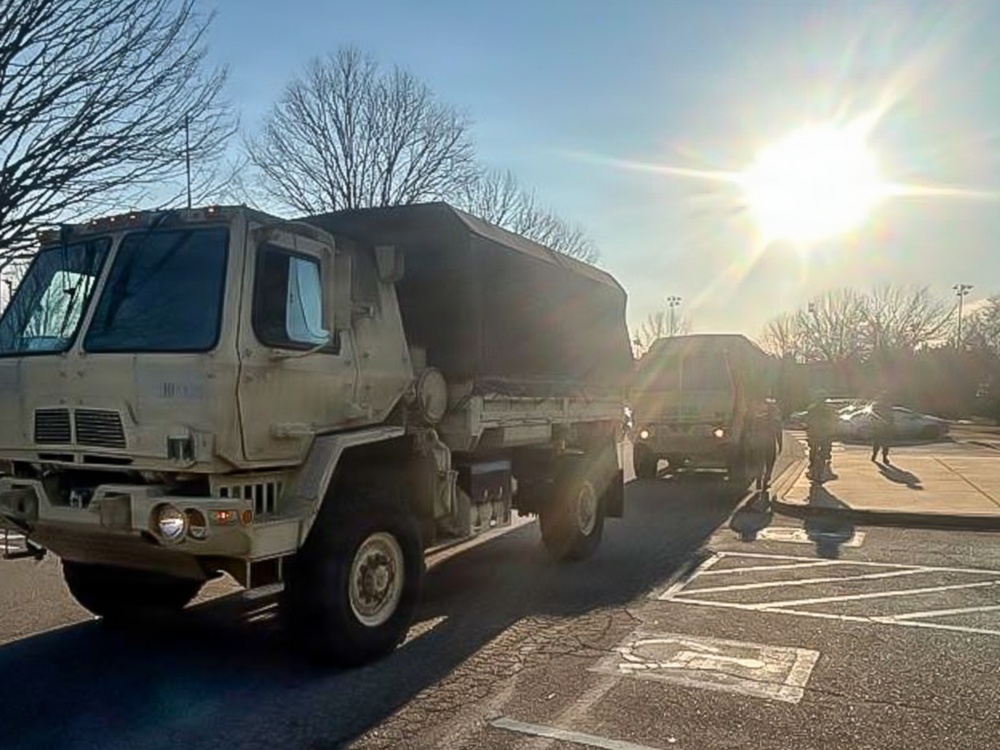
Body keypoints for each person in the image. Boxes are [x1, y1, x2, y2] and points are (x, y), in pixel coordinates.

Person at [804, 395, 835, 480]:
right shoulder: (827, 410)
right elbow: (832, 422)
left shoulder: (812, 409)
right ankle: (816, 464)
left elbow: (807, 421)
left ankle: (814, 464)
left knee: (815, 450)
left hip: (817, 434)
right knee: (820, 451)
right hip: (821, 434)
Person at [870, 397, 896, 464]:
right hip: (883, 429)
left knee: (879, 443)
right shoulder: (884, 409)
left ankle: (876, 456)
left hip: (881, 429)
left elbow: (872, 418)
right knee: (883, 444)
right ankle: (882, 457)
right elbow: (891, 420)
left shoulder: (877, 407)